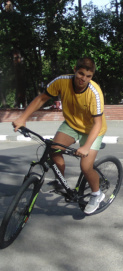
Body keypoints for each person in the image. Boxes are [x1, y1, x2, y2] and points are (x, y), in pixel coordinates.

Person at [12, 57, 107, 214]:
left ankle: (97, 194)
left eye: (88, 76)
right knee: (54, 150)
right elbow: (42, 98)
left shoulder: (94, 93)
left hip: (92, 130)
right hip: (71, 124)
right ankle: (60, 181)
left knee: (85, 166)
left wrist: (85, 147)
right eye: (81, 74)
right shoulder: (62, 81)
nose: (84, 79)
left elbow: (97, 124)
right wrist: (23, 118)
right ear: (75, 69)